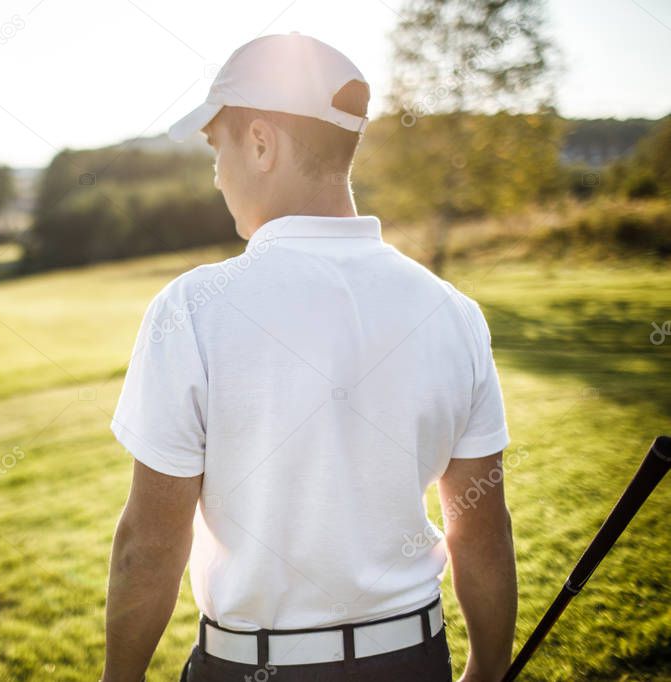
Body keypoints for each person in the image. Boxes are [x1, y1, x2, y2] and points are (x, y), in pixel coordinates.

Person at [101, 33, 516, 682]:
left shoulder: (193, 307)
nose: (216, 175)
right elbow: (482, 527)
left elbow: (148, 548)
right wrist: (487, 671)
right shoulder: (452, 311)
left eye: (218, 148)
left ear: (260, 143)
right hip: (412, 661)